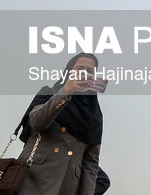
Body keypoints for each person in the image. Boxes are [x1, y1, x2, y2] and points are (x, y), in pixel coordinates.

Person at [17, 52, 102, 195]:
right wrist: (65, 92)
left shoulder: (94, 114)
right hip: (31, 181)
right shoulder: (48, 93)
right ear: (69, 71)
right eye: (80, 68)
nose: (84, 74)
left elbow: (90, 164)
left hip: (65, 186)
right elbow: (36, 123)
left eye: (90, 71)